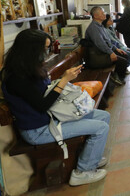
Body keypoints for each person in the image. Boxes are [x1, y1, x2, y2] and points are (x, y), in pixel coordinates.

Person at [1, 29, 110, 186]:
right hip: (38, 130)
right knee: (101, 128)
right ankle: (83, 171)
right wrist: (64, 80)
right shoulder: (16, 78)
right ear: (31, 49)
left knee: (103, 116)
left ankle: (91, 157)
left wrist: (62, 79)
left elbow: (45, 92)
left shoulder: (30, 67)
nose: (47, 52)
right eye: (45, 48)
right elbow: (42, 106)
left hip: (51, 118)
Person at [85, 6, 130, 86]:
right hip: (97, 57)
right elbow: (100, 43)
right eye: (102, 13)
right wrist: (111, 53)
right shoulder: (94, 28)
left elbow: (108, 41)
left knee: (125, 55)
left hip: (103, 53)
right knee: (122, 61)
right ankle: (117, 78)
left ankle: (118, 76)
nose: (105, 14)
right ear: (95, 16)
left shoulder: (100, 26)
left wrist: (116, 49)